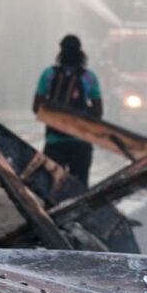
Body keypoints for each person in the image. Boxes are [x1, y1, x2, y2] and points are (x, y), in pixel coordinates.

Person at [33, 33, 104, 190]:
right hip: (81, 142)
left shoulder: (49, 75)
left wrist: (55, 114)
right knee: (79, 188)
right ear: (81, 53)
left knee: (52, 187)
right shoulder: (89, 77)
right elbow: (98, 112)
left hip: (54, 141)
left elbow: (36, 107)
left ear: (61, 52)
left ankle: (50, 214)